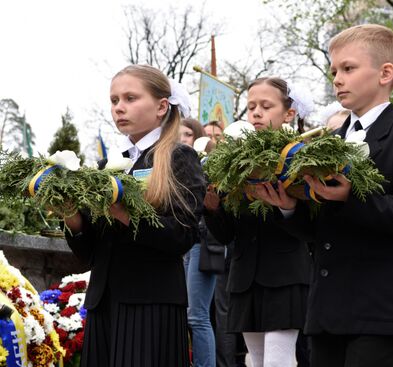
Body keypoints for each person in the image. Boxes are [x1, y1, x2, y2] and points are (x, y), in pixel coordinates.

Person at [253, 24, 393, 367]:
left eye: (348, 69)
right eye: (334, 71)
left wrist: (351, 198)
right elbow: (320, 229)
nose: (337, 79)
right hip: (326, 308)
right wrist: (290, 208)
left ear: (385, 73)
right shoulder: (328, 140)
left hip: (377, 308)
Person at [63, 64, 206, 367]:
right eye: (114, 100)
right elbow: (90, 252)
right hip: (104, 302)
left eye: (130, 98)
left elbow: (182, 235)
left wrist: (124, 213)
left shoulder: (179, 158)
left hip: (151, 301)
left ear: (161, 106)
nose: (119, 108)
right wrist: (71, 217)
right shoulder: (104, 166)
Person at [204, 77, 312, 367]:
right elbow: (226, 234)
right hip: (245, 276)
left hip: (286, 275)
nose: (256, 113)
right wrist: (213, 209)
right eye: (251, 106)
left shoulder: (300, 156)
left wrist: (288, 207)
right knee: (256, 360)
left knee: (279, 360)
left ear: (288, 113)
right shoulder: (235, 160)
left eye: (266, 105)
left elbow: (312, 224)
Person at [179, 119, 218, 367]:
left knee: (198, 316)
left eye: (187, 133)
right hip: (184, 242)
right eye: (179, 133)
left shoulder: (208, 163)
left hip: (202, 243)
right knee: (186, 314)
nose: (182, 138)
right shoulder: (177, 162)